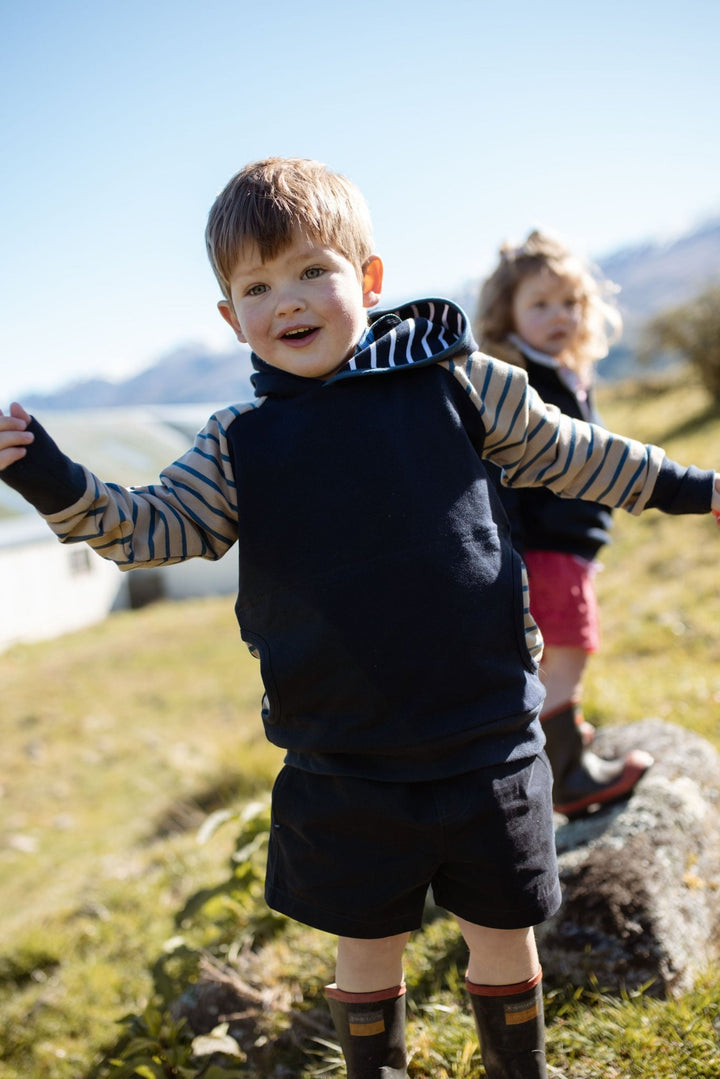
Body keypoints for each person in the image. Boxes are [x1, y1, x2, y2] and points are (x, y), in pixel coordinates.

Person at [2, 158, 719, 1079]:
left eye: (311, 270)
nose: (286, 300)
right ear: (231, 319)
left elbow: (577, 455)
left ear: (369, 281)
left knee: (503, 938)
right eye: (256, 286)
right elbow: (148, 530)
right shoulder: (237, 442)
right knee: (366, 951)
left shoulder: (459, 382)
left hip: (488, 739)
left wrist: (700, 489)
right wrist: (48, 474)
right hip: (342, 760)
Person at [474, 230, 654, 818]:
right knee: (567, 654)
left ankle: (562, 738)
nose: (560, 317)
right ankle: (570, 773)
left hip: (564, 547)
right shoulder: (524, 386)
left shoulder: (564, 374)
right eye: (540, 305)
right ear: (508, 316)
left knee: (554, 659)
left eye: (571, 303)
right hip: (545, 547)